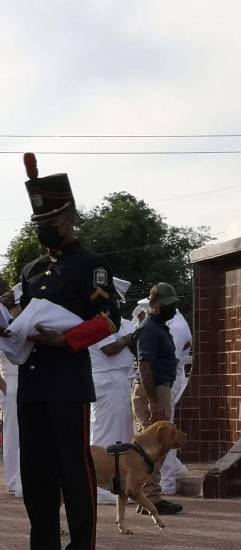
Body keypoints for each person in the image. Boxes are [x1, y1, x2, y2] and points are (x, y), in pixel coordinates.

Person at [14, 153, 122, 549]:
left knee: (74, 473)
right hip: (32, 383)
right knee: (36, 476)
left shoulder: (90, 265)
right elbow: (23, 313)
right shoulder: (30, 269)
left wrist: (67, 339)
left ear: (69, 217)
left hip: (67, 384)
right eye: (39, 224)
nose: (44, 230)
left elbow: (110, 319)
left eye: (50, 222)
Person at [131, 282, 184, 515]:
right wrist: (153, 400)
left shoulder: (158, 326)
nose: (171, 309)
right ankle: (150, 498)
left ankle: (148, 496)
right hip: (152, 390)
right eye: (167, 305)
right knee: (154, 446)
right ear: (155, 305)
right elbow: (145, 366)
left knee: (155, 447)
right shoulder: (150, 329)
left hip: (158, 389)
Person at [88, 277, 136, 505]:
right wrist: (130, 337)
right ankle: (100, 486)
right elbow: (109, 349)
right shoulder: (101, 320)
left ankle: (113, 483)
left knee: (121, 435)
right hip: (107, 381)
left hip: (117, 381)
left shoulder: (113, 321)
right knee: (106, 435)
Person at [160, 307, 192, 494]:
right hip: (162, 382)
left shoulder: (177, 327)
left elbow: (170, 361)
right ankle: (174, 471)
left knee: (164, 432)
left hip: (166, 382)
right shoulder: (168, 324)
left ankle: (167, 480)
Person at [0, 283, 23, 497]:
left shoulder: (24, 326)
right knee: (14, 434)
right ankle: (15, 480)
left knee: (27, 434)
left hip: (27, 383)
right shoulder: (6, 325)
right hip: (12, 383)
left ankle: (22, 478)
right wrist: (3, 385)